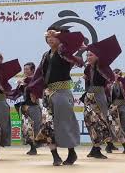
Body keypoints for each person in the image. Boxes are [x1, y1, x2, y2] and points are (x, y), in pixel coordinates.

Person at [29, 26, 84, 166]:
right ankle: (55, 156)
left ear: (59, 37)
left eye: (53, 36)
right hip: (48, 94)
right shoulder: (46, 55)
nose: (50, 38)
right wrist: (34, 92)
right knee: (47, 125)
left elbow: (75, 43)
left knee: (65, 124)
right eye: (47, 36)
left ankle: (71, 153)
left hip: (62, 93)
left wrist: (60, 34)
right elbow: (38, 75)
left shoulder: (63, 51)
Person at [81, 35, 121, 159]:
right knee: (90, 122)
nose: (88, 57)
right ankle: (95, 148)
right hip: (89, 97)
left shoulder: (102, 65)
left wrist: (87, 46)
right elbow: (87, 84)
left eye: (91, 55)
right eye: (87, 55)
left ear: (97, 56)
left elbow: (106, 81)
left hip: (99, 96)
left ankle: (97, 148)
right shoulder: (88, 69)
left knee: (100, 122)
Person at [8, 62, 42, 155]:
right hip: (25, 108)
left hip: (34, 107)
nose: (25, 71)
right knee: (27, 128)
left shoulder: (36, 80)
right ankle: (32, 147)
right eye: (25, 69)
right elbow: (16, 94)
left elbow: (36, 89)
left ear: (33, 70)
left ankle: (34, 147)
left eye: (27, 69)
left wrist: (25, 82)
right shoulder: (23, 81)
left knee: (35, 128)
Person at [106, 68, 125, 154]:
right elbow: (106, 95)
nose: (116, 75)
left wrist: (121, 79)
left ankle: (113, 144)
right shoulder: (109, 85)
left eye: (118, 74)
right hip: (113, 107)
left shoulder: (124, 83)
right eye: (114, 73)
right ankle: (112, 145)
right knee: (113, 126)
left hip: (124, 105)